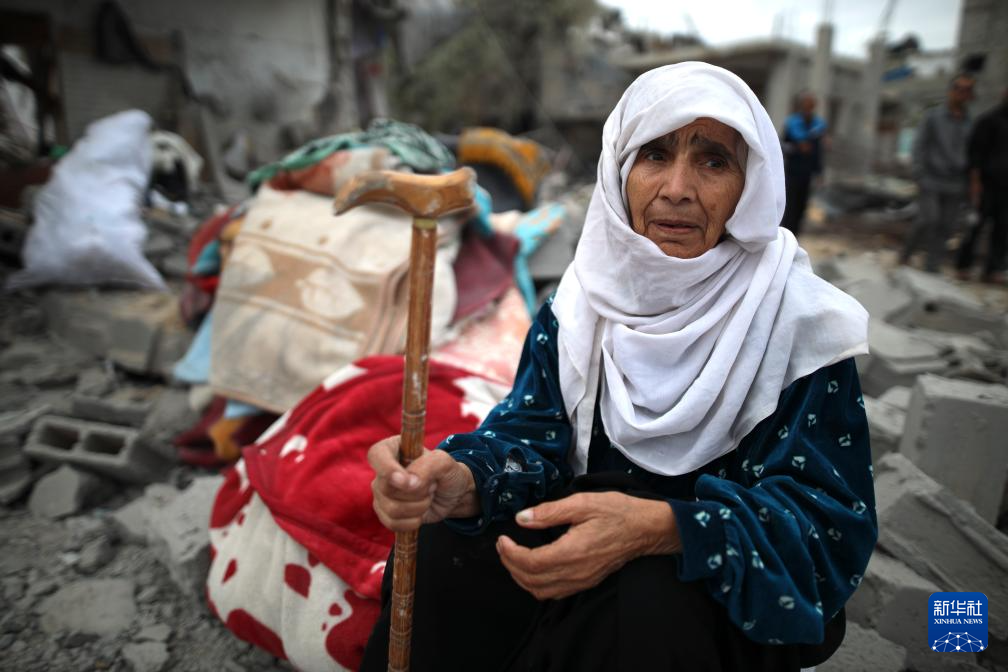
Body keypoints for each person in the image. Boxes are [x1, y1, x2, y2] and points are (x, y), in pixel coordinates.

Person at [362, 61, 876, 672]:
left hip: (711, 592)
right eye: (655, 155)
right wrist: (464, 480)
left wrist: (665, 528)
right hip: (584, 554)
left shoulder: (799, 324)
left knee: (643, 601)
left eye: (713, 162)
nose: (677, 188)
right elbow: (531, 438)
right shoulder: (581, 304)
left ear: (750, 189)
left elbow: (827, 528)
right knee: (443, 544)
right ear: (620, 170)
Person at [900, 74, 975, 272]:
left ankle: (931, 266)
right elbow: (919, 145)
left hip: (956, 182)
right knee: (928, 219)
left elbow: (972, 152)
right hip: (931, 178)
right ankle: (906, 255)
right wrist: (918, 172)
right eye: (959, 89)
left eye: (967, 90)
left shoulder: (969, 122)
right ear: (951, 91)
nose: (962, 94)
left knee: (947, 225)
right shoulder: (933, 117)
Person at [955, 86, 1008, 284]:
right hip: (986, 186)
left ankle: (993, 270)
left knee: (1002, 229)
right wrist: (975, 184)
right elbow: (975, 156)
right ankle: (963, 265)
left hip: (1006, 189)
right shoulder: (988, 120)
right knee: (975, 226)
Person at [780, 92, 827, 236]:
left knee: (802, 205)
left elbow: (819, 152)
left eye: (810, 105)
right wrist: (797, 148)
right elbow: (782, 146)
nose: (808, 108)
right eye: (805, 104)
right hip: (792, 171)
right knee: (790, 205)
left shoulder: (818, 125)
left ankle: (795, 235)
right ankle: (786, 233)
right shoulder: (792, 123)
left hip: (807, 173)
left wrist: (819, 172)